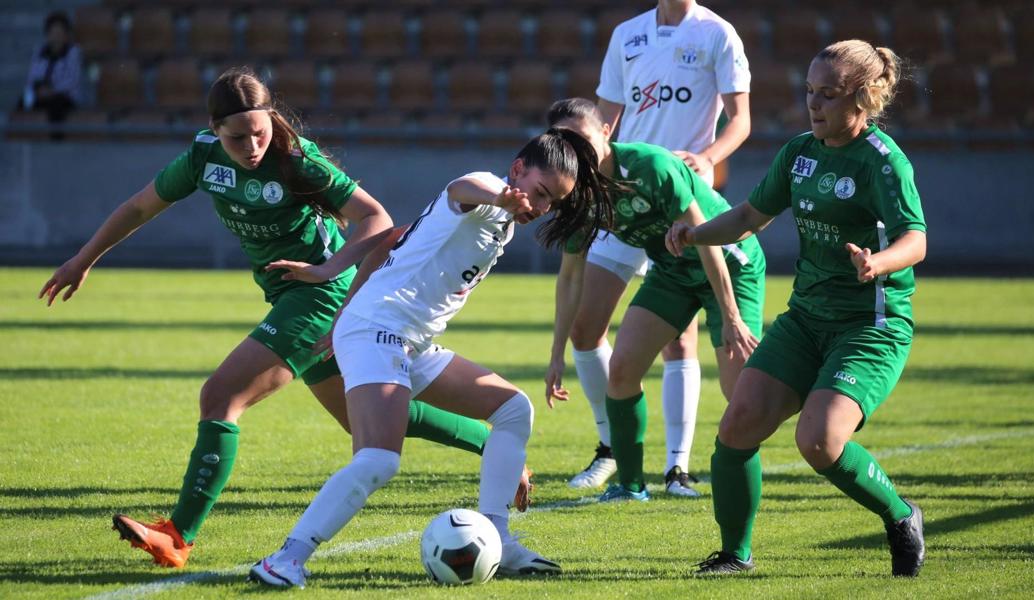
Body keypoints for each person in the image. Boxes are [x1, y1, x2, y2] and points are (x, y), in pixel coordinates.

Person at [38, 68, 529, 569]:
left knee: (220, 396)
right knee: (366, 424)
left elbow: (375, 218)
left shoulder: (297, 161)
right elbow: (141, 206)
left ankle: (178, 536)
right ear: (213, 129)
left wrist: (325, 270)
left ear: (272, 121)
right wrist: (83, 259)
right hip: (287, 296)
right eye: (237, 137)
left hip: (321, 297)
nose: (251, 145)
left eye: (260, 132)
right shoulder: (203, 158)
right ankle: (492, 444)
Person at [247, 127, 622, 587]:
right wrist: (504, 197)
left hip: (407, 341)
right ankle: (285, 558)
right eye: (540, 193)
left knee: (512, 408)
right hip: (379, 331)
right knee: (378, 461)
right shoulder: (482, 190)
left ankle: (498, 541)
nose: (542, 208)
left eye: (552, 203)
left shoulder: (502, 220)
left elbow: (393, 238)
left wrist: (337, 292)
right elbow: (462, 188)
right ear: (518, 170)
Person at [666, 41, 927, 576]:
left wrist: (878, 264)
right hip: (806, 320)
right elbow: (747, 216)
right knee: (738, 423)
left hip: (869, 327)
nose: (814, 104)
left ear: (863, 97)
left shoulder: (884, 162)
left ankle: (901, 516)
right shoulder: (799, 153)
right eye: (810, 91)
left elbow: (916, 239)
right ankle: (735, 555)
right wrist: (695, 234)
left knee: (820, 441)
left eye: (828, 95)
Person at [565, 0, 752, 495]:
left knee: (677, 341)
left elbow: (741, 120)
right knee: (585, 331)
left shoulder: (717, 34)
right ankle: (610, 448)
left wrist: (707, 156)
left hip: (680, 202)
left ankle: (677, 466)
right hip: (622, 197)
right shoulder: (627, 34)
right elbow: (601, 120)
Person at [544, 98, 764, 503]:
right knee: (623, 368)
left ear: (606, 132)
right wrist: (557, 354)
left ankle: (729, 478)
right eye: (563, 140)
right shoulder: (576, 193)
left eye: (581, 137)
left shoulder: (650, 165)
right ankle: (630, 486)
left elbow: (708, 241)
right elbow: (571, 276)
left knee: (743, 396)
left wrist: (731, 315)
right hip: (673, 272)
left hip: (729, 265)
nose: (574, 148)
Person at [18, 11, 82, 128]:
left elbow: (72, 80)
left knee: (56, 106)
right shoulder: (39, 52)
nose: (56, 36)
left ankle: (55, 139)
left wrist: (53, 90)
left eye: (59, 32)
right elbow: (31, 76)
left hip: (63, 96)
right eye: (53, 32)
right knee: (24, 101)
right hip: (42, 93)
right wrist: (38, 90)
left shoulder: (73, 52)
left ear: (66, 34)